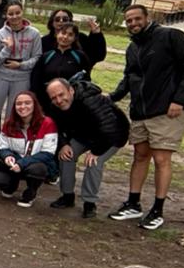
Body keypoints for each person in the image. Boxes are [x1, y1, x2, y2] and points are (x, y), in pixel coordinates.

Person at [107, 4, 184, 230]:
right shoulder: (133, 48)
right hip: (141, 110)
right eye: (129, 20)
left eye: (137, 19)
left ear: (147, 18)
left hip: (167, 109)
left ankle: (157, 209)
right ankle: (133, 202)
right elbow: (130, 77)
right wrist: (112, 97)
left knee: (161, 158)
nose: (133, 23)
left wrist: (179, 99)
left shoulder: (170, 37)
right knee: (140, 155)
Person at [46, 77, 130, 218]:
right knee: (66, 155)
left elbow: (109, 128)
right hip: (84, 135)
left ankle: (89, 203)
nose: (58, 100)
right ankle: (67, 196)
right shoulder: (54, 106)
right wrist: (63, 144)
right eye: (54, 98)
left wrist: (96, 151)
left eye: (61, 95)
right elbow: (56, 127)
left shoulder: (92, 100)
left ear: (71, 90)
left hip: (112, 136)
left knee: (94, 163)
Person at [0, 1, 42, 161]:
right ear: (5, 15)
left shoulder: (34, 34)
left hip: (22, 78)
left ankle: (8, 154)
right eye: (10, 14)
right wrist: (7, 48)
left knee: (14, 117)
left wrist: (21, 65)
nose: (14, 17)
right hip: (0, 77)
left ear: (22, 12)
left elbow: (37, 57)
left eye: (17, 13)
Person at [0, 91, 59, 207]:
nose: (23, 107)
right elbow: (2, 146)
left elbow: (48, 153)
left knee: (38, 169)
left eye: (27, 103)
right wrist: (7, 156)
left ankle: (30, 193)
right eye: (18, 104)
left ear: (35, 105)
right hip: (15, 162)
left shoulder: (47, 123)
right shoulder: (9, 124)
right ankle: (11, 186)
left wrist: (22, 163)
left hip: (35, 162)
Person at [31, 16, 94, 102]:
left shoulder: (80, 56)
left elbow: (86, 80)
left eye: (70, 35)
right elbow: (36, 79)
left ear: (75, 38)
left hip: (70, 103)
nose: (65, 37)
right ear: (57, 34)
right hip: (46, 101)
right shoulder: (46, 56)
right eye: (63, 33)